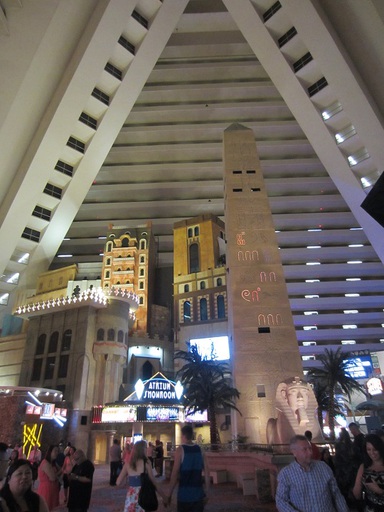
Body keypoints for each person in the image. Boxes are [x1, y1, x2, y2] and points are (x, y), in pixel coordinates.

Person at [276, 435, 349, 512]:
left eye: (310, 448)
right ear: (294, 452)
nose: (310, 452)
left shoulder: (323, 467)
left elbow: (336, 493)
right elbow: (281, 501)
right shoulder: (286, 474)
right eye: (305, 449)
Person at [166, 424, 210, 512]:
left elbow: (174, 474)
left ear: (183, 436)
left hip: (184, 495)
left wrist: (169, 495)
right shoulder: (200, 450)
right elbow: (207, 472)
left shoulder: (180, 450)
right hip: (198, 494)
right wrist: (208, 492)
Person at [116, 440, 166, 512]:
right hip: (144, 494)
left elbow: (118, 482)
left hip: (131, 495)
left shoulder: (127, 463)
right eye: (146, 448)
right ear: (143, 450)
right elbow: (154, 482)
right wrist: (164, 497)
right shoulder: (146, 462)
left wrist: (129, 480)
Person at [353, 433, 384, 511]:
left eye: (375, 449)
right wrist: (357, 487)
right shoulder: (364, 467)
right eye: (369, 449)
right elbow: (357, 495)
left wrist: (379, 491)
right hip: (370, 508)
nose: (372, 453)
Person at [334, 427, 356, 505]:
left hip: (341, 468)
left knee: (342, 487)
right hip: (349, 468)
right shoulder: (350, 444)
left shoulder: (338, 445)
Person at [37, 445, 61, 511]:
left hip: (52, 488)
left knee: (51, 508)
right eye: (55, 451)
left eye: (58, 451)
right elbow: (53, 477)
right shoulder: (45, 463)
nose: (57, 453)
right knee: (45, 508)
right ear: (50, 452)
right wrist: (62, 471)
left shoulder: (53, 463)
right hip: (46, 489)